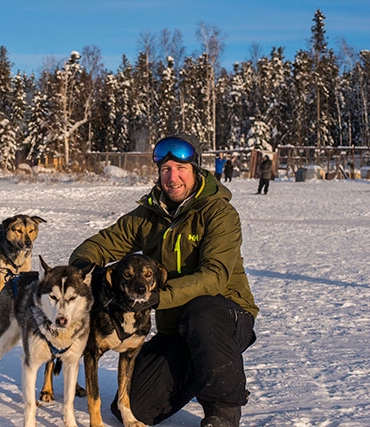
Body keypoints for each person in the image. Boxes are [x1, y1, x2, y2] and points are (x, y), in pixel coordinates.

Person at [69, 134, 258, 427]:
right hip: (175, 327)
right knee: (134, 408)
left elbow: (214, 277)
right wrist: (84, 270)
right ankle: (199, 369)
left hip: (226, 317)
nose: (173, 177)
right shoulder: (149, 215)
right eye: (166, 169)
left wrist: (158, 298)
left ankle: (223, 411)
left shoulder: (218, 213)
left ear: (196, 170)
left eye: (181, 168)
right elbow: (97, 246)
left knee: (203, 311)